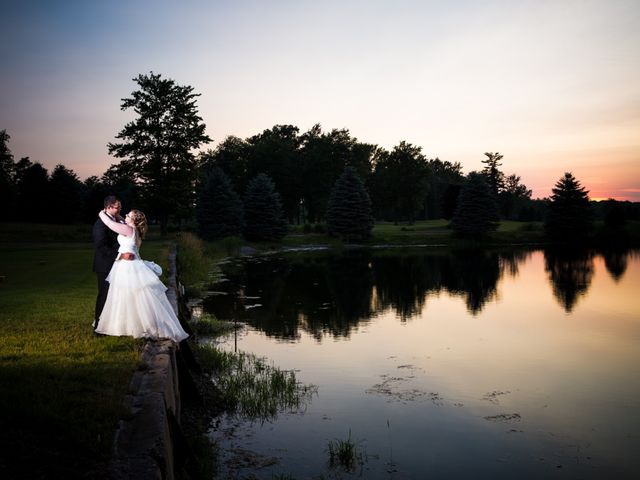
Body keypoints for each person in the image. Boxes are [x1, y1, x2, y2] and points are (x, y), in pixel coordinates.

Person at [94, 208, 189, 343]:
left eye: (128, 215)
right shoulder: (135, 231)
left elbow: (110, 224)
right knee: (130, 297)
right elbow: (123, 222)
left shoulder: (128, 230)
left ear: (133, 220)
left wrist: (101, 213)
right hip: (128, 265)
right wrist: (118, 214)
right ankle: (130, 325)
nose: (125, 216)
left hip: (127, 267)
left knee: (127, 296)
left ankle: (135, 326)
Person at [92, 195, 122, 332]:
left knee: (114, 295)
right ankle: (98, 326)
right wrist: (118, 255)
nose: (119, 209)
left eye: (119, 206)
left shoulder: (116, 219)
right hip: (105, 265)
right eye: (117, 207)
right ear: (108, 207)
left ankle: (110, 324)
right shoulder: (100, 223)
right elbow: (100, 245)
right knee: (104, 295)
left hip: (116, 264)